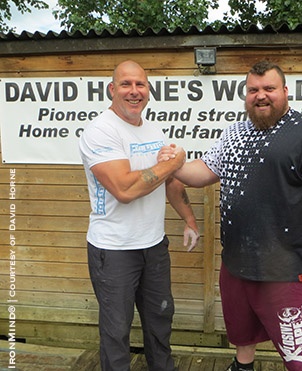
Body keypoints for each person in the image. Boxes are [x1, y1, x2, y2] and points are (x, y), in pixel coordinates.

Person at [159, 60, 302, 371]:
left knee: (301, 358)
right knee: (241, 333)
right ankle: (242, 366)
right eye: (253, 90)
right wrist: (176, 164)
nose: (260, 95)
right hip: (236, 264)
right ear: (246, 94)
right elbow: (204, 171)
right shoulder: (234, 132)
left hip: (285, 270)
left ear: (286, 92)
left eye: (269, 89)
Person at [79, 60, 200, 371]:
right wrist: (172, 163)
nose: (134, 91)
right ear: (112, 89)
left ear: (148, 90)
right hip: (114, 249)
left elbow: (167, 181)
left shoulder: (152, 128)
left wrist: (189, 219)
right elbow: (125, 190)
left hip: (153, 245)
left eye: (140, 85)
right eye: (126, 84)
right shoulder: (100, 131)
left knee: (160, 319)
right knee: (116, 330)